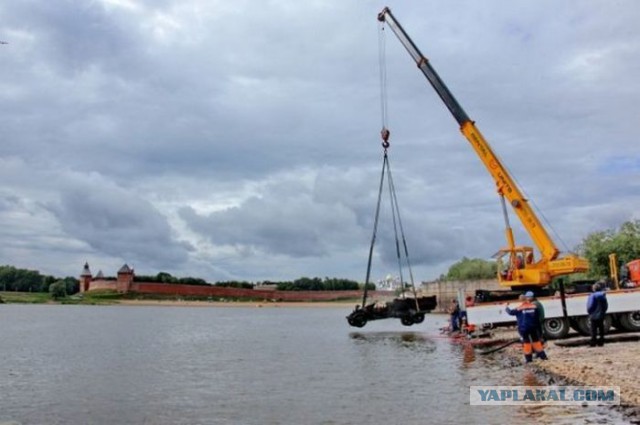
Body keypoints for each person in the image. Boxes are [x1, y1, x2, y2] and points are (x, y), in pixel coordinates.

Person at [506, 291, 548, 363]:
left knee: (526, 343)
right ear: (527, 299)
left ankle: (529, 359)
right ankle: (543, 356)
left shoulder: (519, 308)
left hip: (524, 328)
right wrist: (540, 330)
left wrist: (506, 307)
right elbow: (537, 318)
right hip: (533, 327)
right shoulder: (534, 307)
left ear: (520, 300)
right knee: (536, 342)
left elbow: (510, 312)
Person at [587, 281, 608, 347]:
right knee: (601, 329)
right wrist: (603, 312)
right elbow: (605, 306)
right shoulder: (603, 295)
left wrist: (590, 312)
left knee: (593, 330)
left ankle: (593, 343)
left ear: (594, 289)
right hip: (601, 315)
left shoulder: (592, 296)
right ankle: (601, 342)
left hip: (593, 315)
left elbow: (590, 306)